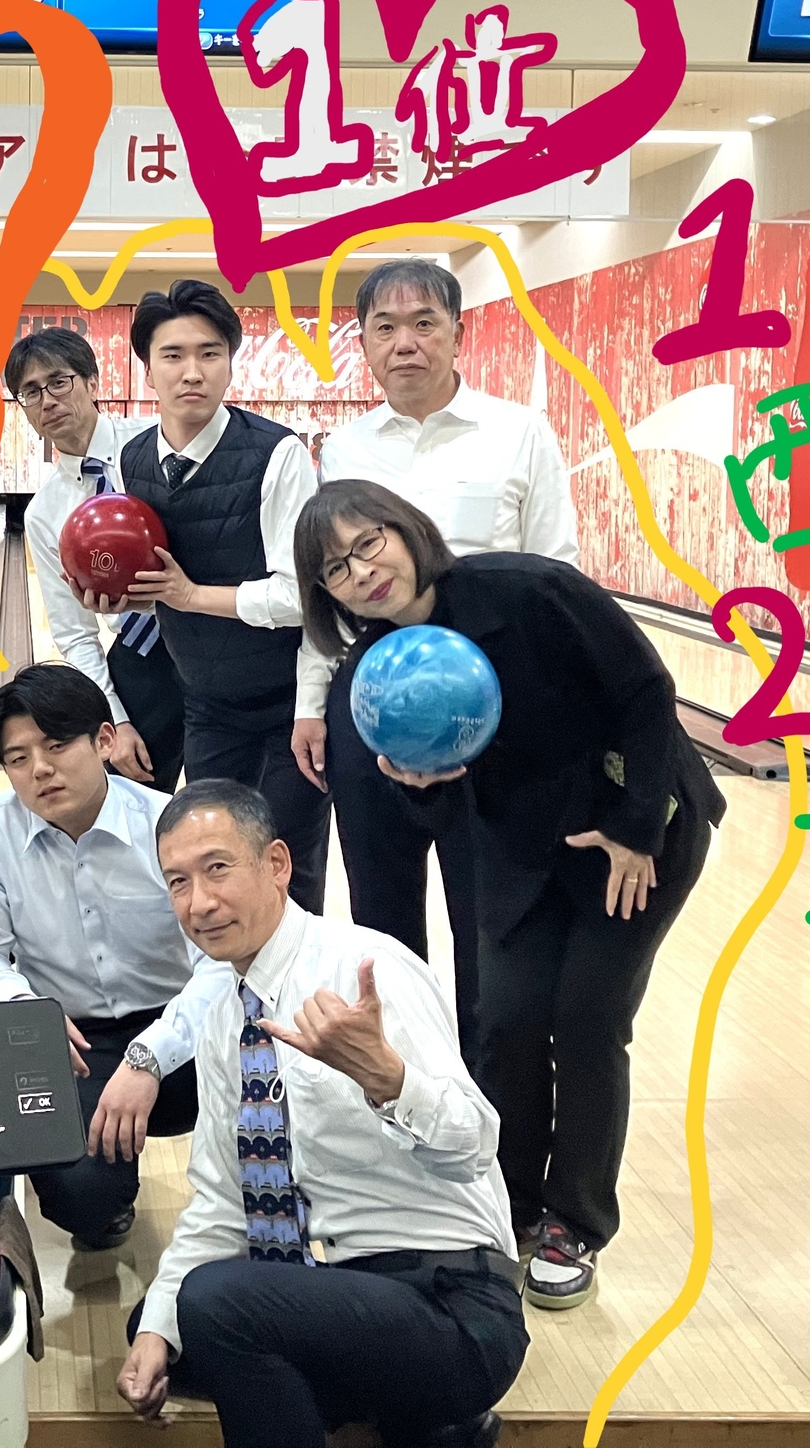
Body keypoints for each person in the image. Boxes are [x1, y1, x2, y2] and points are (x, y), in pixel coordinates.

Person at [294, 481, 725, 1310]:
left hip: (633, 831)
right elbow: (443, 805)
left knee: (588, 1019)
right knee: (505, 1019)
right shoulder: (378, 670)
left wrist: (636, 828)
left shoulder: (531, 590)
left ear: (407, 529)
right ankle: (510, 1195)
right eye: (336, 569)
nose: (361, 572)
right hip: (524, 848)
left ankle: (574, 1222)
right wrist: (424, 786)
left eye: (368, 542)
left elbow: (645, 691)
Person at [119, 781, 525, 1448]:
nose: (200, 902)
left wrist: (387, 1079)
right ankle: (426, 1426)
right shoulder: (223, 1018)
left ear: (277, 864)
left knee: (219, 1306)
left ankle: (426, 1410)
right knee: (162, 1324)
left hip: (446, 1298)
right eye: (178, 882)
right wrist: (158, 1326)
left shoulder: (367, 969)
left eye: (217, 868)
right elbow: (222, 1203)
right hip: (329, 1292)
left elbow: (475, 1145)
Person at [290, 258, 579, 1066]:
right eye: (384, 328)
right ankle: (398, 1078)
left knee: (488, 915)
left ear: (459, 333)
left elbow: (557, 570)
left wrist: (552, 719)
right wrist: (310, 703)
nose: (405, 343)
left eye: (424, 324)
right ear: (364, 345)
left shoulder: (519, 431)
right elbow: (326, 589)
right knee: (380, 913)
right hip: (372, 697)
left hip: (489, 704)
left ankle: (487, 1092)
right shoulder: (345, 446)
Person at [0, 665, 228, 1251]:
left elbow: (221, 964)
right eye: (18, 758)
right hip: (73, 1041)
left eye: (56, 746)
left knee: (288, 1089)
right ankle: (107, 1201)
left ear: (103, 741)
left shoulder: (167, 824)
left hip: (186, 1027)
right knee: (80, 1197)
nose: (39, 769)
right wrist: (25, 1010)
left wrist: (150, 1056)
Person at [96, 279, 330, 914]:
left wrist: (190, 595)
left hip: (290, 705)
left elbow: (304, 597)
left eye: (209, 353)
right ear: (148, 369)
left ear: (231, 362)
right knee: (216, 865)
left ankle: (301, 982)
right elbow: (153, 580)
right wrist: (116, 594)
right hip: (205, 703)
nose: (192, 371)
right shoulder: (131, 460)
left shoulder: (277, 454)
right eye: (172, 355)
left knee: (288, 870)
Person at [7, 325, 184, 789]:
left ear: (92, 382)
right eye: (30, 392)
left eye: (58, 382)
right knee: (129, 796)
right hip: (142, 655)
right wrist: (116, 720)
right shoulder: (45, 512)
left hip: (211, 634)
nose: (47, 401)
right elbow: (75, 634)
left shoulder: (161, 441)